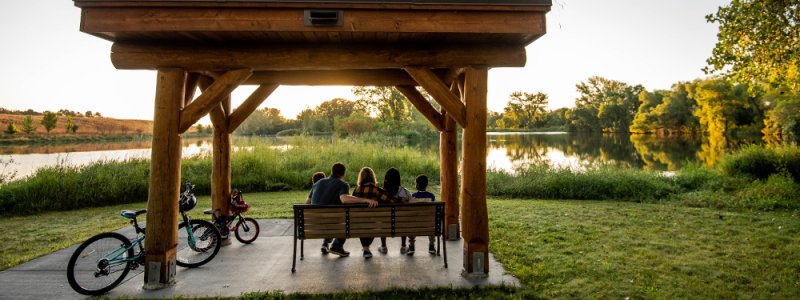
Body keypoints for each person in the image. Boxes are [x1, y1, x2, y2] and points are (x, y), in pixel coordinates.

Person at [308, 163, 378, 257]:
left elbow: (307, 203)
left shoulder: (317, 183)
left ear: (331, 171)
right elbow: (344, 199)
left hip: (312, 225)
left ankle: (326, 243)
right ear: (343, 174)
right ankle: (337, 246)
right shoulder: (343, 184)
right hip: (330, 223)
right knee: (347, 218)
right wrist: (365, 200)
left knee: (332, 217)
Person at [351, 167, 405, 259]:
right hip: (373, 222)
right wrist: (404, 199)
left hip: (358, 221)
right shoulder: (377, 190)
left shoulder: (356, 190)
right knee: (373, 220)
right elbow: (392, 200)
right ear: (373, 177)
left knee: (363, 221)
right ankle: (366, 248)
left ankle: (365, 248)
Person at [377, 167, 412, 254]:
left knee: (383, 219)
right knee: (403, 219)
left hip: (385, 222)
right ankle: (403, 246)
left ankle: (383, 246)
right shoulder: (405, 192)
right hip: (401, 222)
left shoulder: (381, 193)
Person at [408, 175, 437, 256]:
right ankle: (431, 246)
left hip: (415, 225)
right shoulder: (431, 196)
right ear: (427, 185)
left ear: (417, 185)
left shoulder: (413, 196)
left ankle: (411, 246)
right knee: (431, 223)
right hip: (429, 225)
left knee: (411, 224)